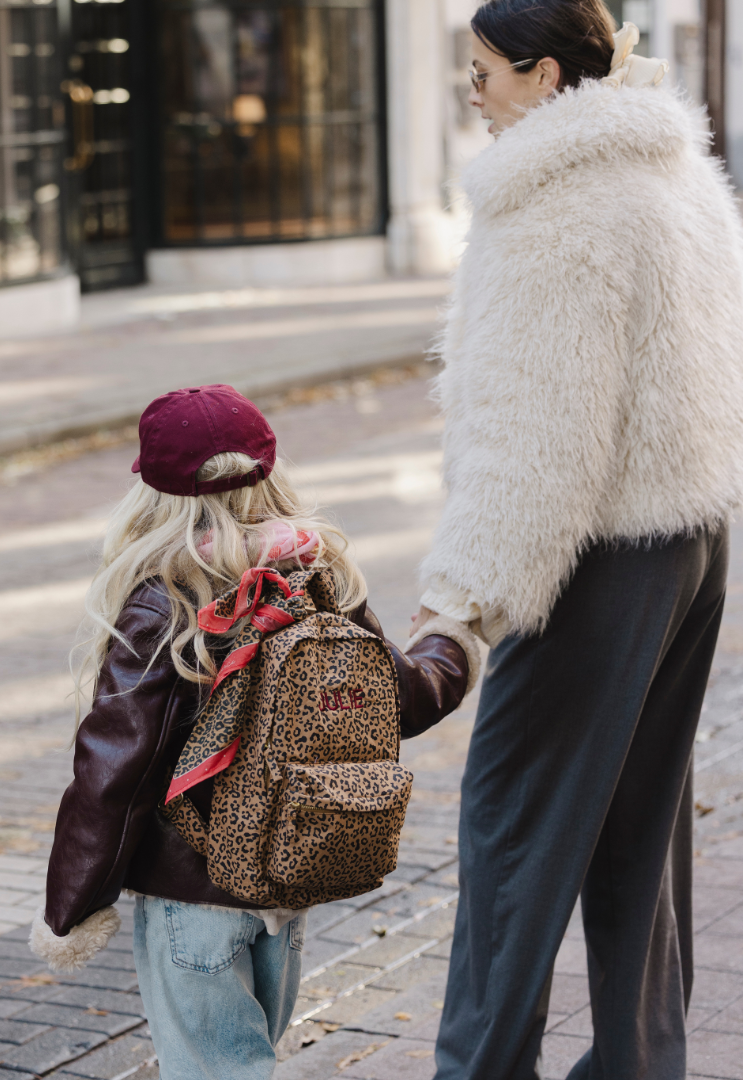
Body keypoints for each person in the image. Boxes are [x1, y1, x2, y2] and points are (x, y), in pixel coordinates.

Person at [409, 2, 743, 1078]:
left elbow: (538, 435)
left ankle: (480, 1068)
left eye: (481, 73)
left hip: (594, 558)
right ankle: (641, 1064)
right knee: (638, 821)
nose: (472, 93)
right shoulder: (676, 174)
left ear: (544, 75)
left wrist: (458, 607)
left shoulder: (551, 202)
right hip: (691, 537)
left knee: (510, 823)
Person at [31, 384, 477, 1080]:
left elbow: (114, 775)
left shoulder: (166, 596)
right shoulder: (317, 575)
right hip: (288, 880)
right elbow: (404, 701)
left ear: (153, 495)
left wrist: (71, 909)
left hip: (192, 900)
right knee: (251, 1061)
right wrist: (452, 642)